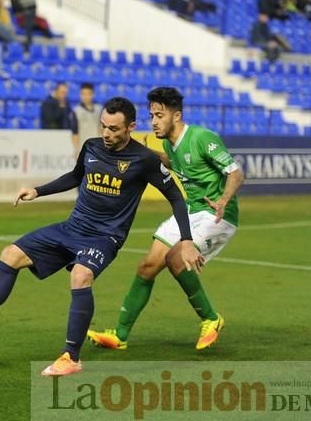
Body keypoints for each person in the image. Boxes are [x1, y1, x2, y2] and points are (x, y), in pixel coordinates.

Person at [0, 97, 203, 376]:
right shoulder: (91, 147)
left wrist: (185, 239)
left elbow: (175, 197)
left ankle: (72, 357)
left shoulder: (145, 159)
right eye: (103, 126)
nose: (107, 134)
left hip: (104, 237)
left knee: (80, 276)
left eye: (114, 129)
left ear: (131, 127)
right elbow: (75, 177)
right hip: (72, 228)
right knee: (10, 254)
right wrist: (38, 191)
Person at [87, 87, 244, 352]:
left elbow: (236, 173)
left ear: (177, 115)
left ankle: (211, 318)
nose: (154, 121)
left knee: (175, 258)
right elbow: (173, 162)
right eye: (151, 116)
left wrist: (223, 200)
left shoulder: (202, 137)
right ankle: (120, 335)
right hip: (190, 212)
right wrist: (140, 152)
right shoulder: (170, 144)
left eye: (159, 115)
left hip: (217, 215)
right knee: (147, 265)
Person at [72, 82, 101, 154]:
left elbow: (101, 129)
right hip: (83, 147)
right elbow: (75, 132)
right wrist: (77, 149)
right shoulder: (76, 111)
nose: (86, 96)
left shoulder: (99, 109)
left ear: (93, 94)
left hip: (97, 148)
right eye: (83, 94)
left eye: (88, 94)